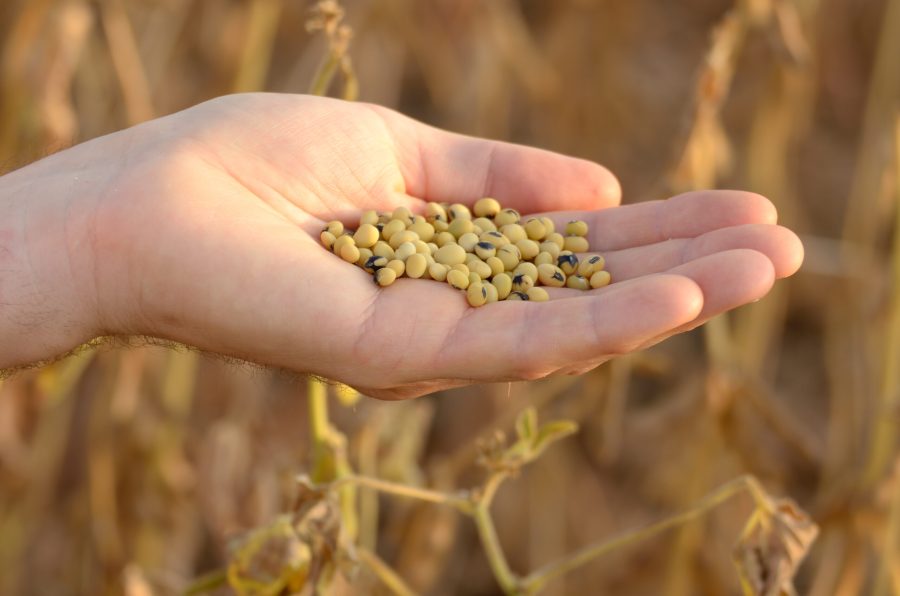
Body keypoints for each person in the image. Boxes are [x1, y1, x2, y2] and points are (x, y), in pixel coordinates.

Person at [0, 93, 803, 399]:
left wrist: (84, 232)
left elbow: (452, 250)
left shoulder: (456, 243)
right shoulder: (430, 242)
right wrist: (91, 231)